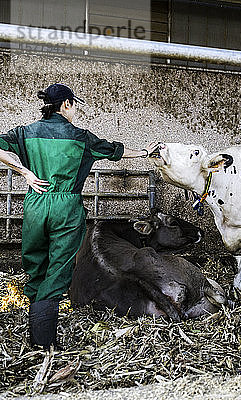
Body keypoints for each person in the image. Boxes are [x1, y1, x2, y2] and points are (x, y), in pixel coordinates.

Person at [0, 83, 159, 350]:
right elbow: (115, 151)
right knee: (59, 269)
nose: (75, 110)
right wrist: (145, 152)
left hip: (35, 203)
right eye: (74, 105)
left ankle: (35, 334)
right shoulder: (81, 137)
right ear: (66, 105)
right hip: (66, 206)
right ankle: (44, 343)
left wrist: (24, 172)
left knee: (35, 267)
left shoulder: (25, 132)